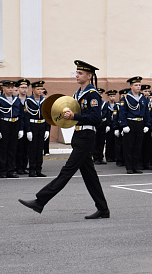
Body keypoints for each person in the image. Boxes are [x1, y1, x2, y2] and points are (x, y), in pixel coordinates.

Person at [19, 60, 110, 219]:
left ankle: (40, 201)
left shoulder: (92, 94)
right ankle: (103, 209)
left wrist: (75, 116)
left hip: (87, 136)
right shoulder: (78, 93)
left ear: (89, 76)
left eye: (80, 73)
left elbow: (96, 118)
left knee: (66, 171)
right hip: (79, 136)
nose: (77, 75)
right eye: (77, 72)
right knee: (90, 177)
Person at [119, 77, 151, 174]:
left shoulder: (142, 98)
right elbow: (122, 112)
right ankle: (129, 167)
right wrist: (124, 125)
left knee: (138, 146)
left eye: (139, 85)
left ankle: (136, 166)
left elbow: (146, 112)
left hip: (140, 123)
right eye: (136, 85)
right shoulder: (126, 98)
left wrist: (147, 124)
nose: (138, 87)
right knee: (129, 146)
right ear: (131, 86)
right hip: (130, 123)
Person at [0, 80, 24, 178]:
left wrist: (20, 129)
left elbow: (21, 115)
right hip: (4, 123)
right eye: (8, 87)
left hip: (14, 123)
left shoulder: (16, 100)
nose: (10, 89)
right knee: (3, 148)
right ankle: (2, 170)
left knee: (12, 148)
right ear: (3, 88)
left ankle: (10, 170)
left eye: (12, 87)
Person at [25, 81, 50, 177]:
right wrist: (28, 130)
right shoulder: (28, 101)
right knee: (32, 149)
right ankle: (32, 169)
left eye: (41, 89)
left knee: (40, 149)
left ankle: (38, 169)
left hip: (42, 125)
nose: (40, 91)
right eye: (38, 89)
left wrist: (47, 129)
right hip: (32, 125)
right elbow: (26, 117)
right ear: (33, 90)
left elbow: (47, 116)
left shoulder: (44, 101)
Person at [15, 79, 30, 175]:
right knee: (18, 148)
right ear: (18, 88)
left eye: (26, 88)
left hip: (28, 126)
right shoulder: (15, 100)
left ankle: (24, 166)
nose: (24, 90)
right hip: (17, 127)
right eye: (22, 87)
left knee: (26, 148)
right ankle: (18, 167)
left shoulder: (29, 100)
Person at [93, 88, 109, 165]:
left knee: (102, 141)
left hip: (102, 123)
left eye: (101, 93)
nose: (100, 95)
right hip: (96, 123)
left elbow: (106, 114)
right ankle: (95, 157)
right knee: (95, 141)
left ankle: (101, 157)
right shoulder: (94, 103)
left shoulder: (104, 104)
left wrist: (107, 125)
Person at [104, 89, 118, 163]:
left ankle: (114, 156)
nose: (112, 97)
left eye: (113, 96)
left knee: (115, 141)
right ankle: (108, 156)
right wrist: (107, 125)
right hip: (109, 124)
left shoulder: (117, 105)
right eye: (111, 96)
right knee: (109, 141)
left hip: (115, 124)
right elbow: (106, 115)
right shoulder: (106, 105)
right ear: (108, 97)